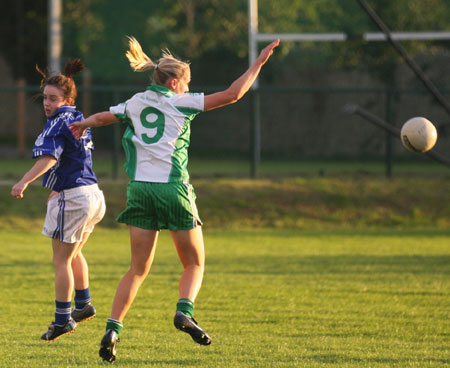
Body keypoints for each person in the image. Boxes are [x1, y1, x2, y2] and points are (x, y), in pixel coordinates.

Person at [70, 36, 279, 363]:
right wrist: (259, 62)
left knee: (137, 269)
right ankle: (184, 311)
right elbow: (233, 94)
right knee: (194, 262)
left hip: (139, 190)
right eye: (186, 83)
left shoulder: (136, 102)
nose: (188, 88)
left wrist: (82, 123)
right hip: (172, 189)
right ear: (173, 81)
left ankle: (113, 329)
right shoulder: (181, 102)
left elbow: (102, 118)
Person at [10, 59, 106, 342]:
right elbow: (72, 159)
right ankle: (83, 304)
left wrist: (24, 180)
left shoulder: (57, 123)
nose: (47, 103)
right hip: (93, 194)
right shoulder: (78, 118)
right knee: (73, 255)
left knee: (60, 260)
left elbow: (51, 158)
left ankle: (63, 319)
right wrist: (56, 187)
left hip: (75, 198)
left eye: (53, 98)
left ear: (68, 99)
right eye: (45, 98)